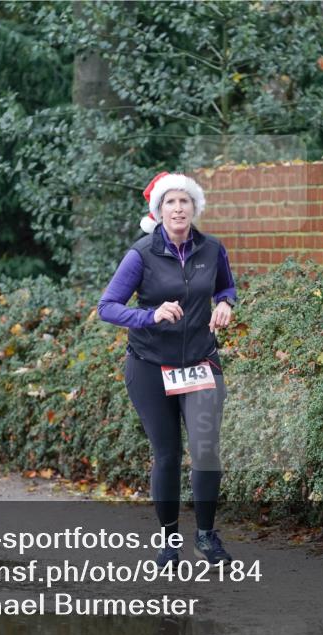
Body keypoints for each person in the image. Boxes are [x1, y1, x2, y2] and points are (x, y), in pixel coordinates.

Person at [97, 171, 237, 568]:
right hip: (149, 366)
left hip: (199, 362)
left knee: (206, 451)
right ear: (158, 211)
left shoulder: (212, 249)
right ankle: (169, 541)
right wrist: (150, 314)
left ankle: (206, 538)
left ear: (195, 208)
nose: (178, 208)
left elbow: (226, 286)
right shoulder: (141, 254)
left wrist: (226, 302)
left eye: (184, 202)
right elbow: (107, 307)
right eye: (170, 203)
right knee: (167, 454)